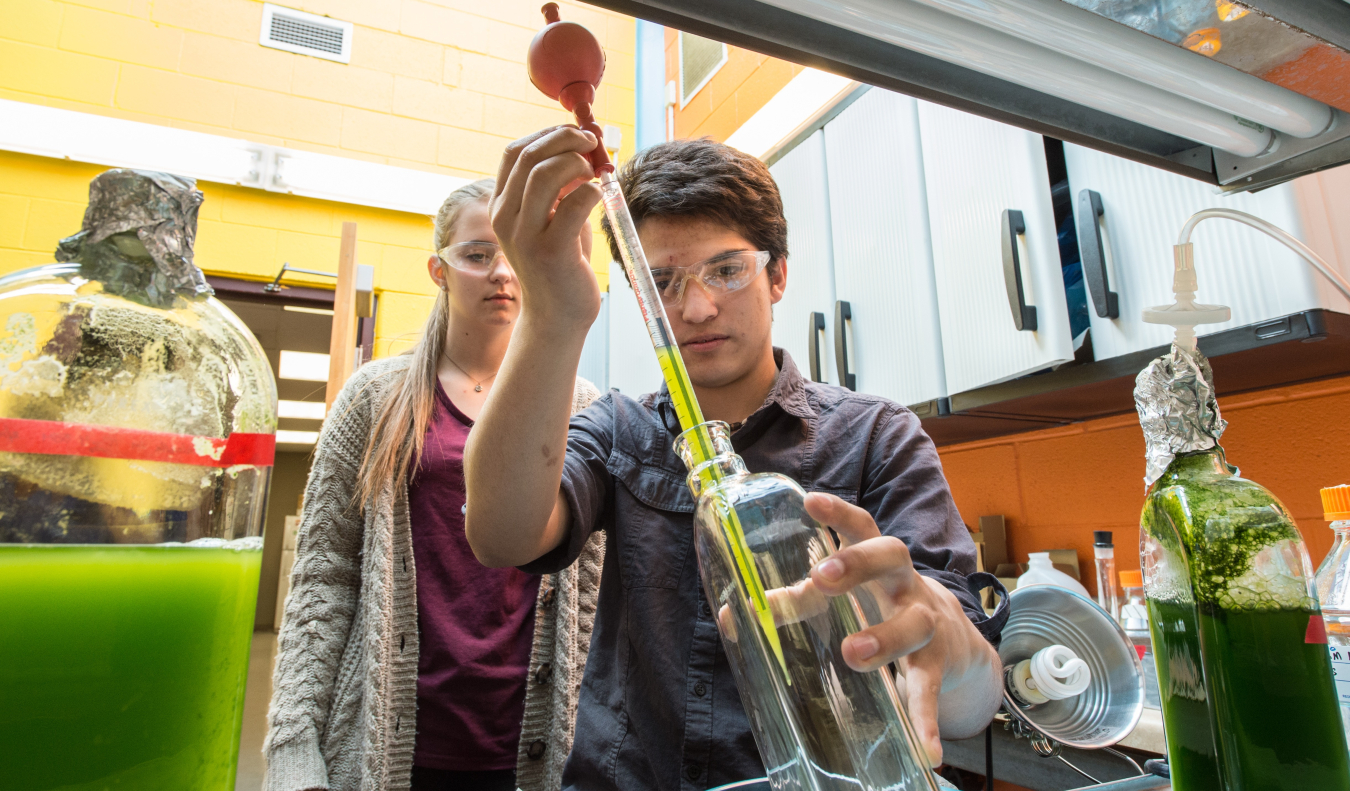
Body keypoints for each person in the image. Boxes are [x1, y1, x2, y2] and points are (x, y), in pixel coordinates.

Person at [465, 129, 1009, 791]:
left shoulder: (877, 437)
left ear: (777, 274)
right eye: (662, 282)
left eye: (726, 269)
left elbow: (970, 694)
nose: (697, 307)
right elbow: (501, 532)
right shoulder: (618, 429)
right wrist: (551, 314)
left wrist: (941, 637)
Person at [263, 178, 604, 791]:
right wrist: (293, 743)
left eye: (513, 257)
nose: (501, 273)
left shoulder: (582, 408)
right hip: (390, 740)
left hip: (531, 746)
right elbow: (322, 579)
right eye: (476, 256)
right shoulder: (375, 399)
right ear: (438, 269)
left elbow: (596, 599)